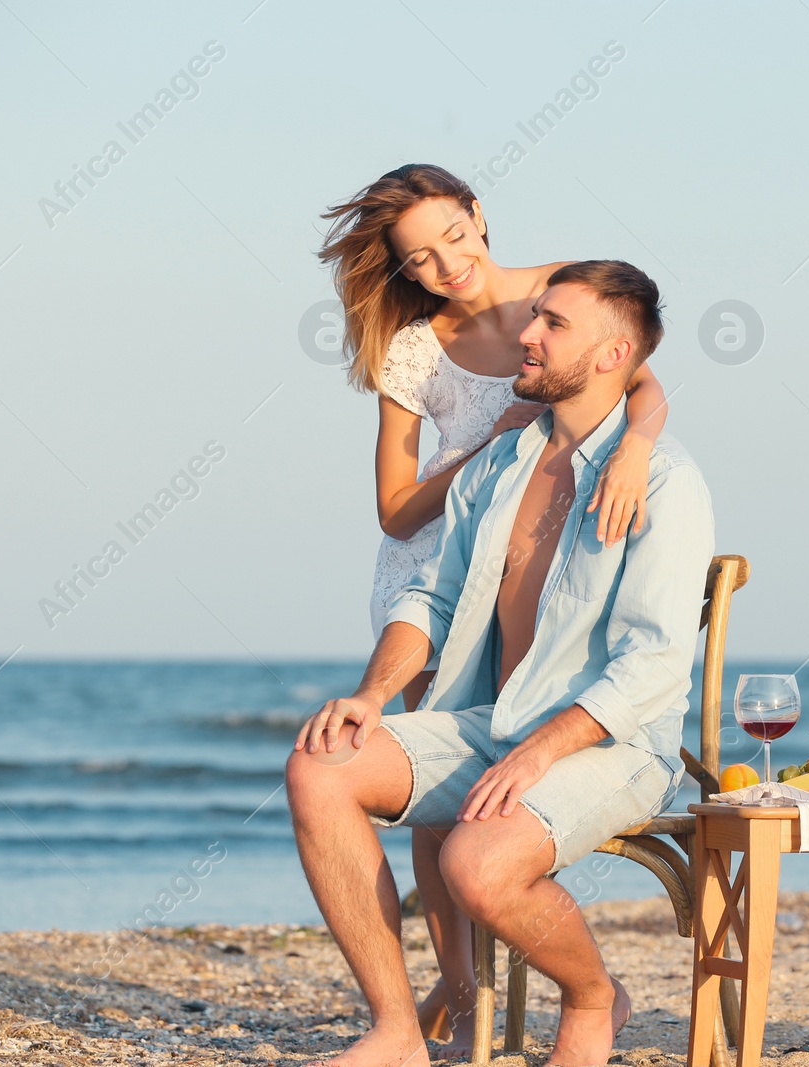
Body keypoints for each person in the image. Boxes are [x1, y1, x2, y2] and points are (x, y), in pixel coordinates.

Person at [287, 260, 715, 1067]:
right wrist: (374, 694)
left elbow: (655, 665)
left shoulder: (665, 479)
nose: (526, 333)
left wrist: (540, 750)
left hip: (611, 746)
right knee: (321, 767)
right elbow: (432, 598)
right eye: (534, 317)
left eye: (553, 324)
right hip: (494, 722)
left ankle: (593, 997)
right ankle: (397, 1031)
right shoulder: (496, 466)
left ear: (611, 355)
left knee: (473, 862)